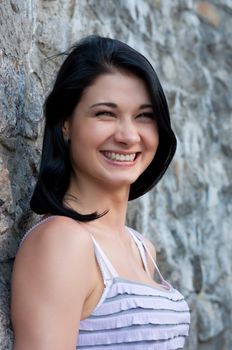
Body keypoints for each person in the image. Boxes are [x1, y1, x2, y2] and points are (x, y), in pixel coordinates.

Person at [11, 35, 190, 349]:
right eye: (105, 113)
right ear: (66, 123)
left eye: (144, 116)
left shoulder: (142, 248)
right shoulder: (62, 242)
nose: (128, 135)